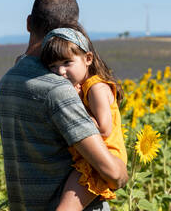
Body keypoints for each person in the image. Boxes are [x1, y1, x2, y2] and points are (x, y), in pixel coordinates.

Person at [0, 0, 128, 211]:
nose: (61, 70)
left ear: (29, 23)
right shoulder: (58, 88)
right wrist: (122, 173)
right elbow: (113, 174)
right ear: (72, 27)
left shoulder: (8, 80)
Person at [40, 27, 127, 210]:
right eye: (53, 66)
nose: (60, 71)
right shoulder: (83, 86)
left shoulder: (96, 88)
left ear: (88, 59)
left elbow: (104, 129)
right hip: (91, 158)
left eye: (67, 62)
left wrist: (74, 105)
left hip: (101, 160)